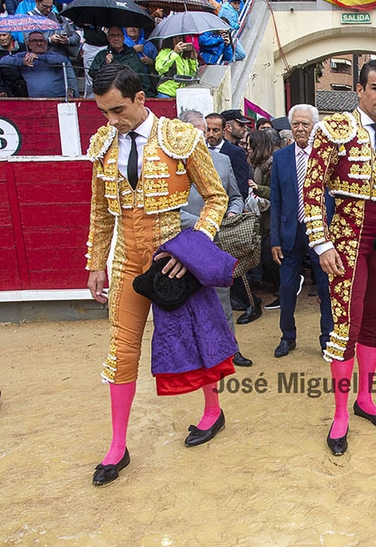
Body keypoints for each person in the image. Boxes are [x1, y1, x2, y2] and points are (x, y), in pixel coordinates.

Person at [86, 64, 228, 486]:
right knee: (121, 349)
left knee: (197, 338)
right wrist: (96, 262)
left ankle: (213, 411)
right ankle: (117, 445)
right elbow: (99, 211)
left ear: (141, 99)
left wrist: (194, 249)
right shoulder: (103, 144)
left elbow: (216, 198)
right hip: (128, 260)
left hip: (172, 258)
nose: (112, 121)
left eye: (118, 110)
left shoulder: (181, 138)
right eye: (104, 112)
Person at [302, 60, 376, 456]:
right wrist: (322, 244)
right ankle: (339, 414)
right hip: (348, 238)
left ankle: (363, 399)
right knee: (345, 324)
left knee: (373, 319)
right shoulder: (333, 130)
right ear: (359, 89)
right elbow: (313, 190)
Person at [177, 109, 252, 366]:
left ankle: (229, 349)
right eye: (199, 131)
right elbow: (169, 208)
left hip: (217, 240)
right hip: (183, 242)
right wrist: (204, 224)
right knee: (185, 299)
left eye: (208, 131)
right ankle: (193, 354)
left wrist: (232, 213)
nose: (205, 136)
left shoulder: (220, 161)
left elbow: (236, 197)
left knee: (222, 297)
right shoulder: (169, 163)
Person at [268, 103, 335, 355]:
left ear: (315, 126)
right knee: (286, 287)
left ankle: (327, 337)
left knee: (326, 286)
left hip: (322, 233)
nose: (300, 128)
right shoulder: (281, 157)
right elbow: (276, 200)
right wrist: (275, 239)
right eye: (295, 124)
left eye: (305, 124)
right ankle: (287, 335)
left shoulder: (327, 156)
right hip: (290, 232)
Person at [0, 31, 72, 98]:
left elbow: (63, 60)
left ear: (46, 43)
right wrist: (22, 61)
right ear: (29, 44)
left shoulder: (53, 55)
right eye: (35, 41)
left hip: (58, 98)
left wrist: (39, 57)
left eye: (41, 41)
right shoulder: (25, 55)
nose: (39, 44)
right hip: (34, 100)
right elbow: (3, 61)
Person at [89, 26, 153, 96]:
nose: (116, 38)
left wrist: (148, 95)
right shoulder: (101, 55)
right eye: (113, 35)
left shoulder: (132, 54)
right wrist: (106, 65)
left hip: (130, 94)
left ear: (123, 37)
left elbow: (143, 77)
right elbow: (93, 74)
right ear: (108, 38)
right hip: (109, 94)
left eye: (118, 35)